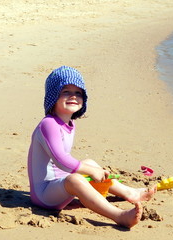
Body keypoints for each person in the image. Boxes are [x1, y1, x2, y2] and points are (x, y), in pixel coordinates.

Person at [27, 66, 156, 228]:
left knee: (91, 163)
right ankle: (118, 215)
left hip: (59, 185)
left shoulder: (68, 123)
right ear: (53, 96)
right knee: (77, 178)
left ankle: (129, 192)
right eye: (66, 91)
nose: (73, 96)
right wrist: (91, 172)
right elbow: (60, 160)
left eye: (78, 93)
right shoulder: (48, 124)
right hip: (44, 195)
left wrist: (92, 169)